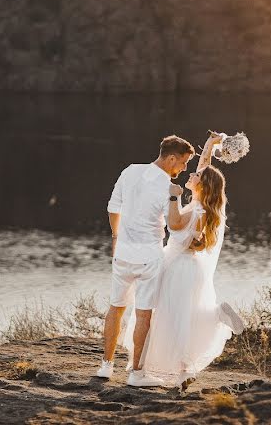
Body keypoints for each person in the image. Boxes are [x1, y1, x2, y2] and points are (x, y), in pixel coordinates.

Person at [138, 132, 245, 390]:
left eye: (195, 177)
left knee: (174, 317)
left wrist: (173, 196)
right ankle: (185, 368)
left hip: (179, 267)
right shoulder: (204, 206)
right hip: (190, 266)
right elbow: (205, 169)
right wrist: (210, 145)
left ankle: (182, 365)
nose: (191, 175)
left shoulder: (196, 210)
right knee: (187, 316)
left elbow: (174, 224)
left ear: (201, 186)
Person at [95, 135, 195, 386]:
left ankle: (106, 367)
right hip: (149, 256)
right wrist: (182, 202)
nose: (183, 169)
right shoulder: (169, 187)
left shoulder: (130, 171)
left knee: (115, 308)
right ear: (172, 158)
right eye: (182, 163)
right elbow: (174, 224)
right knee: (143, 315)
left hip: (123, 252)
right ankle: (136, 374)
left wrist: (116, 237)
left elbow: (112, 207)